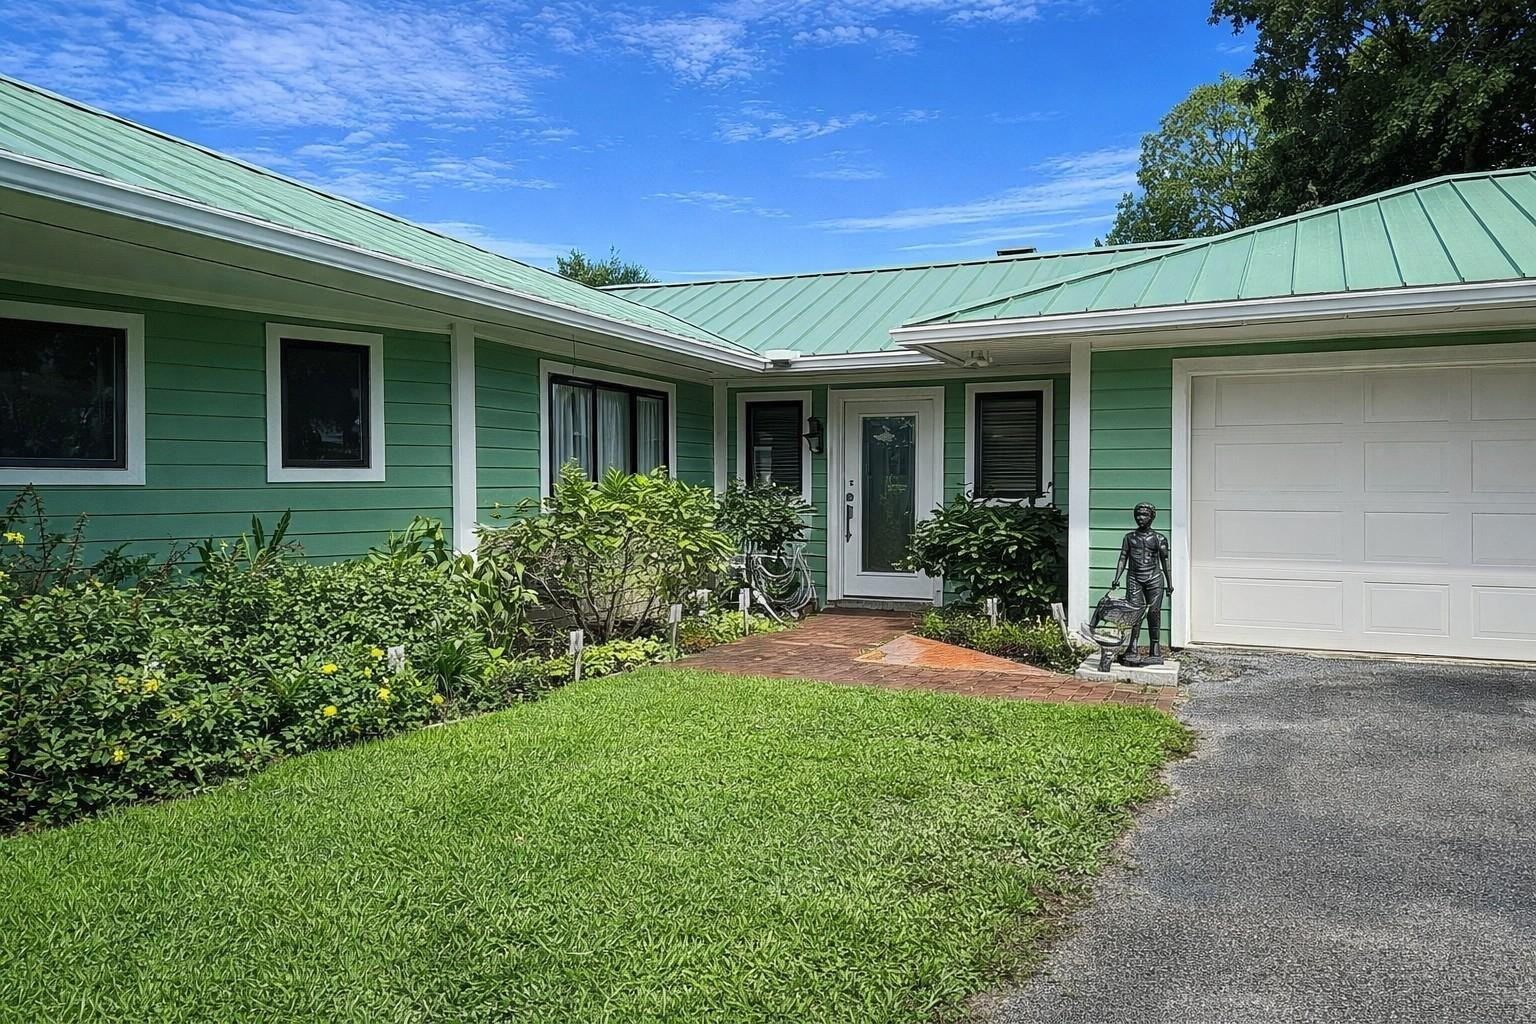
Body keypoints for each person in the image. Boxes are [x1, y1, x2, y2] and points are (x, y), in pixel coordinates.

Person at [1110, 502, 1173, 665]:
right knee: (1135, 612)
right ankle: (1132, 647)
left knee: (1154, 612)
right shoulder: (1129, 538)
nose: (1140, 518)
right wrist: (1116, 577)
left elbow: (1165, 562)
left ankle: (1155, 648)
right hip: (1134, 578)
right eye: (1138, 514)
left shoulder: (1160, 539)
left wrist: (1169, 582)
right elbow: (1123, 558)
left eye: (1144, 515)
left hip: (1154, 578)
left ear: (1152, 516)